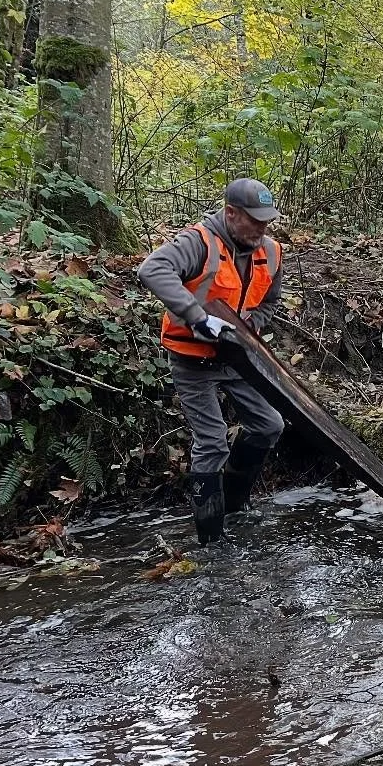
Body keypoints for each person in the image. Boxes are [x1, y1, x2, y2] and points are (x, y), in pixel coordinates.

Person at [138, 179, 286, 545]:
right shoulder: (198, 242)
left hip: (237, 358)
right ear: (231, 213)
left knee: (269, 425)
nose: (262, 229)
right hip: (192, 359)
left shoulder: (271, 251)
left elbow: (270, 302)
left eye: (267, 221)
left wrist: (252, 323)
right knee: (213, 442)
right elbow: (152, 270)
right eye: (255, 221)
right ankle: (210, 537)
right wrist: (197, 317)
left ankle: (236, 505)